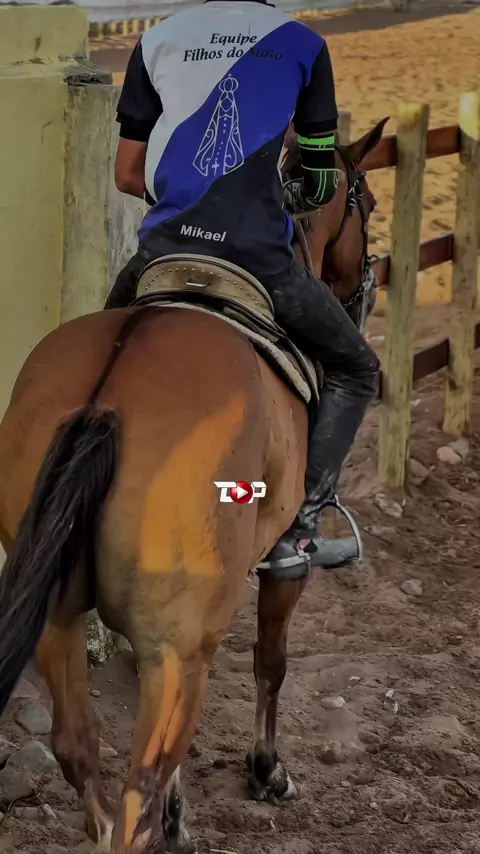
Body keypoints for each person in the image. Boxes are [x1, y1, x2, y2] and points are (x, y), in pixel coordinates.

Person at [107, 0, 380, 573]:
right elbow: (322, 182)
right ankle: (297, 532)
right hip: (258, 259)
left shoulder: (157, 39)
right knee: (357, 370)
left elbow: (129, 174)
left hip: (165, 252)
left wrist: (189, 201)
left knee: (101, 359)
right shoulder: (304, 46)